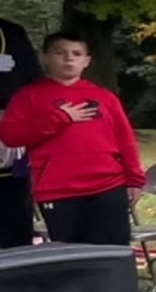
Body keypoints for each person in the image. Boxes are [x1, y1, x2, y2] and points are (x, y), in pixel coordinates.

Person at [0, 32, 144, 245]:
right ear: (45, 57)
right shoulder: (27, 96)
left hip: (107, 185)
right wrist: (58, 118)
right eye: (60, 53)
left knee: (112, 250)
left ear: (86, 61)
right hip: (58, 188)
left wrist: (134, 179)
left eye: (76, 54)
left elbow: (125, 140)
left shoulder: (105, 97)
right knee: (71, 252)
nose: (69, 59)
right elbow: (11, 136)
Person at [0, 13, 44, 248]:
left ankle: (16, 280)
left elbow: (34, 85)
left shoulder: (12, 34)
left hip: (9, 138)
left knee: (13, 216)